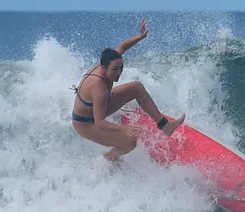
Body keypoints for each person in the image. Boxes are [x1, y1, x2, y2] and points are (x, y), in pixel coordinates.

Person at [70, 19, 185, 161]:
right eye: (115, 69)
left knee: (136, 87)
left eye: (121, 69)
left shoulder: (109, 61)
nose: (119, 73)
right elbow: (99, 123)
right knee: (130, 142)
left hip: (98, 107)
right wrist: (125, 129)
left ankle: (165, 126)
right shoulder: (99, 88)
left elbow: (123, 47)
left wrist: (140, 37)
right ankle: (110, 157)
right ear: (104, 68)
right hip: (86, 123)